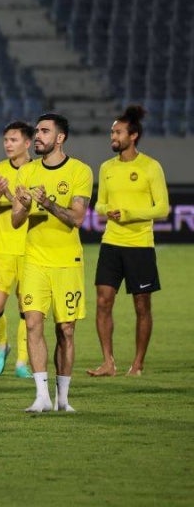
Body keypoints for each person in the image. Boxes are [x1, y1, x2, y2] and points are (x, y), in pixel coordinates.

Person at [12, 113, 93, 412]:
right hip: (34, 260)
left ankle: (63, 398)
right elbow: (16, 221)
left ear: (60, 138)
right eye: (37, 131)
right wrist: (24, 205)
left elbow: (77, 218)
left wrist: (47, 203)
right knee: (33, 323)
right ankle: (41, 396)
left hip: (67, 262)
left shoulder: (80, 171)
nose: (38, 136)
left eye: (44, 131)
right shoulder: (27, 172)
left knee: (66, 330)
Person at [89, 105, 169, 377]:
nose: (113, 136)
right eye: (112, 132)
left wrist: (129, 213)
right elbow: (99, 205)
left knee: (141, 305)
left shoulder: (150, 167)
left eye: (118, 132)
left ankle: (137, 364)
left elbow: (162, 209)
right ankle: (108, 362)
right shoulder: (107, 168)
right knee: (102, 301)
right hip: (111, 243)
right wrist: (107, 211)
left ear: (133, 136)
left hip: (140, 245)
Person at [0, 121, 34, 378]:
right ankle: (3, 345)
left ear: (27, 143)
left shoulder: (36, 170)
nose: (8, 144)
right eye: (5, 140)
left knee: (26, 308)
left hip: (29, 250)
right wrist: (0, 193)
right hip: (2, 249)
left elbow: (30, 208)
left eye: (13, 140)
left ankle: (22, 362)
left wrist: (10, 195)